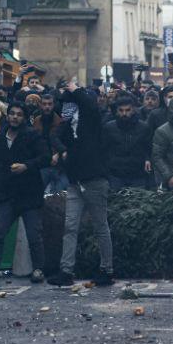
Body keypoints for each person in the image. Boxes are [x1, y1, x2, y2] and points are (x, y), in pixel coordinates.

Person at [49, 81, 114, 287]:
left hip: (94, 180)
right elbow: (55, 135)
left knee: (100, 226)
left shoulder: (92, 120)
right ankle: (66, 270)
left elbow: (91, 106)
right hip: (76, 181)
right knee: (70, 226)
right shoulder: (68, 125)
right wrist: (62, 150)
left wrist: (76, 89)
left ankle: (107, 269)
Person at [0, 102, 49, 283]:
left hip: (29, 193)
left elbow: (45, 157)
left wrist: (26, 166)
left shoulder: (32, 135)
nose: (14, 117)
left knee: (33, 234)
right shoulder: (0, 137)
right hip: (7, 193)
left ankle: (38, 268)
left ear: (24, 117)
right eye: (12, 114)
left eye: (19, 114)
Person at [104, 93, 153, 190]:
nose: (124, 114)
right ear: (117, 111)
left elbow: (149, 147)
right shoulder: (109, 127)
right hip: (116, 174)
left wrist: (147, 159)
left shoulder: (144, 128)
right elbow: (104, 149)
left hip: (137, 174)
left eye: (127, 110)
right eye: (121, 110)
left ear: (133, 109)